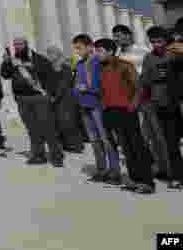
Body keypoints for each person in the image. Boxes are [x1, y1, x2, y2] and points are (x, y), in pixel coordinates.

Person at [94, 38, 155, 194]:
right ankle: (134, 180)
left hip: (127, 110)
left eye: (100, 51)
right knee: (125, 147)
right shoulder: (100, 68)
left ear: (110, 51)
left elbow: (138, 88)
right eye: (96, 50)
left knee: (136, 146)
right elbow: (102, 90)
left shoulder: (125, 66)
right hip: (110, 110)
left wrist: (132, 106)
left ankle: (147, 182)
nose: (97, 54)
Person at [0, 37, 63, 167]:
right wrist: (6, 62)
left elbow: (50, 77)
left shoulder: (39, 59)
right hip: (22, 98)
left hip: (39, 97)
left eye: (20, 44)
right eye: (15, 45)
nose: (17, 47)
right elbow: (5, 74)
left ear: (26, 45)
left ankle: (56, 155)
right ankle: (38, 154)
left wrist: (50, 94)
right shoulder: (13, 60)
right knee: (32, 128)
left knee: (47, 127)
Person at [113, 24, 165, 179]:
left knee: (155, 134)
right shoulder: (117, 55)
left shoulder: (143, 51)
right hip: (128, 102)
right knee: (140, 136)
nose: (117, 39)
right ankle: (150, 165)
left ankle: (163, 167)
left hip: (146, 99)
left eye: (119, 35)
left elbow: (150, 73)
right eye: (115, 36)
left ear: (129, 35)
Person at [71, 34, 121, 185]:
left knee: (106, 139)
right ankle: (101, 170)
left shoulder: (97, 62)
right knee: (94, 140)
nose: (77, 52)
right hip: (84, 105)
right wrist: (76, 90)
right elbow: (75, 84)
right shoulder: (79, 64)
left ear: (89, 47)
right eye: (76, 49)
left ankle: (115, 172)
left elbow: (103, 84)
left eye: (79, 48)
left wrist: (88, 88)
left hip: (98, 106)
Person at [138, 27, 183, 190]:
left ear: (166, 40)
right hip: (162, 105)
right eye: (153, 41)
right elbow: (144, 81)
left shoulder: (176, 54)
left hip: (178, 102)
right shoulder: (149, 58)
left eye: (160, 41)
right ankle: (177, 175)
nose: (156, 45)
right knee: (170, 143)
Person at [45, 45, 84, 153]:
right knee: (57, 122)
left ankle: (76, 145)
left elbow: (64, 83)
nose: (49, 56)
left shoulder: (65, 67)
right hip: (53, 98)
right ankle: (65, 144)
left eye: (52, 53)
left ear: (58, 54)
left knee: (68, 122)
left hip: (65, 98)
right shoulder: (48, 68)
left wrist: (55, 96)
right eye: (48, 53)